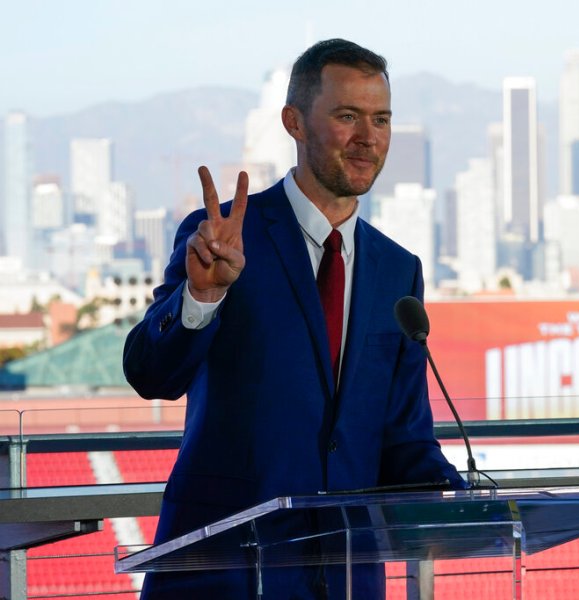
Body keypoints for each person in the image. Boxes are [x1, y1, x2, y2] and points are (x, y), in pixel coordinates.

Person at [123, 39, 464, 599]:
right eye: (347, 116)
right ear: (294, 123)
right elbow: (149, 374)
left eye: (381, 119)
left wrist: (470, 495)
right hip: (225, 574)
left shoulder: (399, 271)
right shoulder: (224, 237)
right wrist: (201, 297)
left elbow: (403, 437)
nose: (368, 137)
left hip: (348, 577)